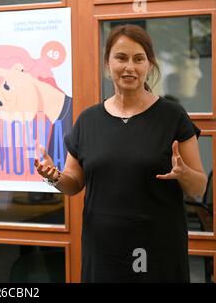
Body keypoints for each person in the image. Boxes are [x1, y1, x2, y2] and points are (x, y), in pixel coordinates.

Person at [35, 24, 207, 282]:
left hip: (159, 251)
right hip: (103, 251)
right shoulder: (88, 120)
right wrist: (52, 176)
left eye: (139, 59)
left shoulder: (172, 117)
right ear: (107, 65)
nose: (130, 67)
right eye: (121, 58)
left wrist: (183, 173)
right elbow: (73, 184)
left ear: (150, 65)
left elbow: (199, 188)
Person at [0, 42, 72, 181]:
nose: (8, 102)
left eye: (6, 86)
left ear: (20, 69)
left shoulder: (81, 115)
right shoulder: (50, 148)